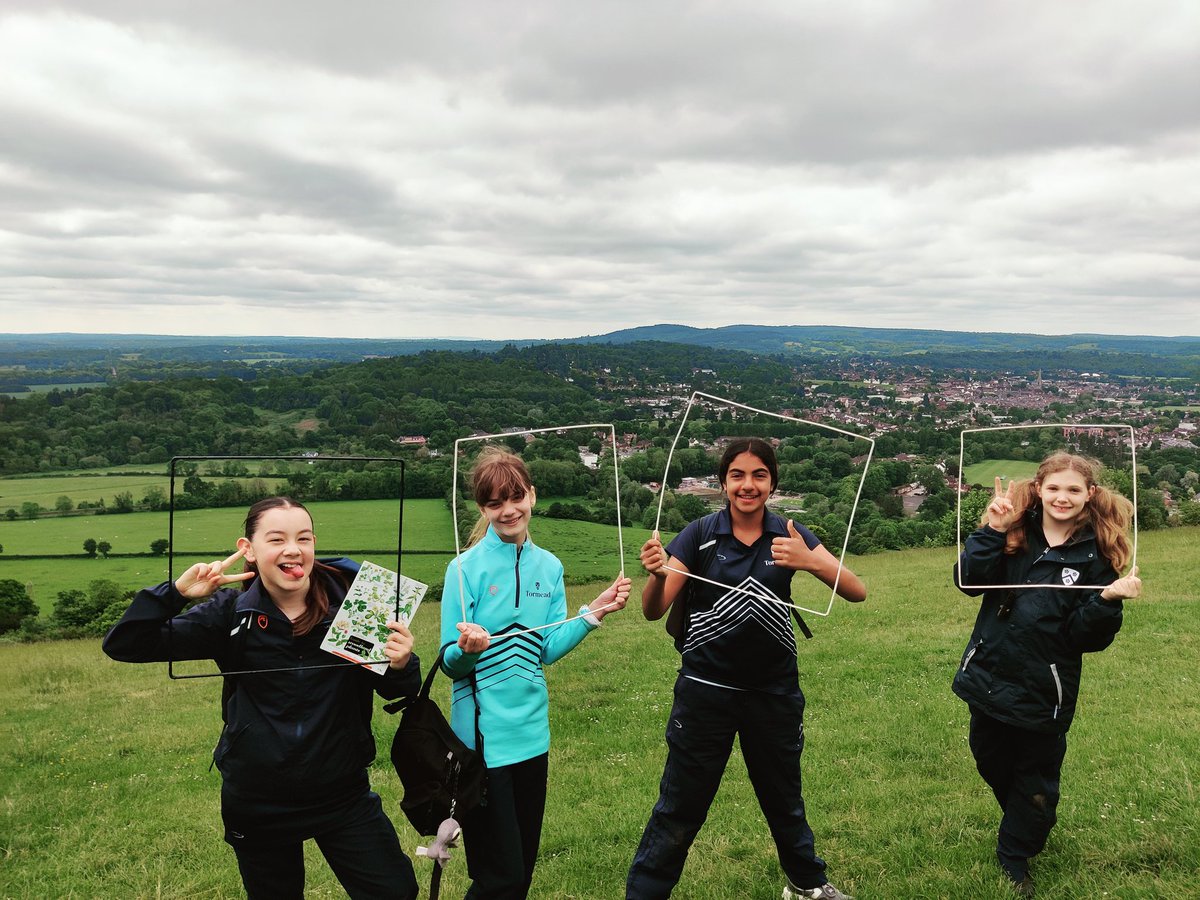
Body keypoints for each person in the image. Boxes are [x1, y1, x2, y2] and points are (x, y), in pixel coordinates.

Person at [103, 496, 421, 900]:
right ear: (248, 549)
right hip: (258, 800)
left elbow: (401, 690)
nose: (293, 549)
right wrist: (177, 594)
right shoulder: (231, 612)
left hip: (343, 794)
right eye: (277, 539)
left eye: (303, 538)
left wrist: (400, 664)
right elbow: (125, 644)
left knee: (395, 892)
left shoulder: (353, 602)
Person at [626, 438, 865, 900]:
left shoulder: (791, 531)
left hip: (773, 691)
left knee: (784, 799)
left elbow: (856, 591)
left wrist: (811, 560)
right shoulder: (699, 534)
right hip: (704, 691)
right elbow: (655, 610)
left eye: (759, 475)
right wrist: (656, 576)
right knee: (681, 805)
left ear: (772, 482)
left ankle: (806, 885)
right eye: (737, 475)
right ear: (723, 482)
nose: (748, 485)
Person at [439, 445, 631, 900]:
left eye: (515, 497)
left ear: (532, 495)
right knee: (497, 876)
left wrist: (592, 614)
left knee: (520, 871)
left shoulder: (551, 566)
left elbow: (545, 649)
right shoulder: (464, 569)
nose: (507, 511)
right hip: (482, 747)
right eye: (494, 503)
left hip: (533, 741)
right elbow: (449, 662)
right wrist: (467, 650)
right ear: (482, 509)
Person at [953, 452, 1141, 897]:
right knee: (990, 759)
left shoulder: (1096, 553)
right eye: (1054, 487)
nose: (1063, 497)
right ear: (1039, 489)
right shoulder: (1015, 533)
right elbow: (968, 581)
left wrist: (1107, 601)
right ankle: (1024, 819)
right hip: (991, 677)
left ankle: (1014, 852)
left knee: (1036, 783)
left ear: (1089, 495)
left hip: (1045, 690)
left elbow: (1085, 637)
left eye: (1074, 489)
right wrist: (992, 531)